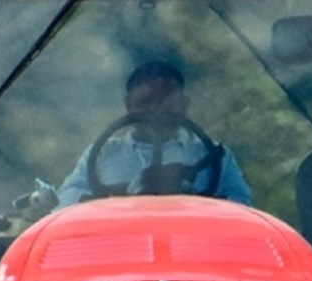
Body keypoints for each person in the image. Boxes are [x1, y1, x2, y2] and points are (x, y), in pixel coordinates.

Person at [58, 59, 253, 205]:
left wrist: (189, 197)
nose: (156, 111)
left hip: (191, 250)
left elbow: (242, 204)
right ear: (128, 105)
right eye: (145, 102)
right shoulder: (103, 153)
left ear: (184, 105)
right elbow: (64, 200)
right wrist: (124, 194)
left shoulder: (212, 154)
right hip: (117, 248)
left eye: (167, 103)